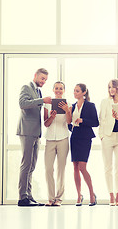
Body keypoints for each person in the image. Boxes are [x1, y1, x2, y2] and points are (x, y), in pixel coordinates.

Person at [17, 68, 52, 207]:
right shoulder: (26, 87)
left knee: (32, 166)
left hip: (36, 132)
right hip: (26, 131)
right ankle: (22, 198)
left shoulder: (38, 91)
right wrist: (42, 100)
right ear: (35, 76)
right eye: (42, 78)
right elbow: (22, 104)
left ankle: (29, 196)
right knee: (26, 165)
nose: (43, 81)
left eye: (45, 80)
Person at [69, 83, 99, 206]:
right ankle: (79, 195)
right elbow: (68, 122)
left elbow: (96, 122)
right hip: (75, 137)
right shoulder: (71, 106)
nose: (75, 93)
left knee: (82, 167)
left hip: (85, 138)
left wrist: (83, 121)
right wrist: (72, 126)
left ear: (83, 92)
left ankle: (92, 194)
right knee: (75, 167)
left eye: (77, 91)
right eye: (74, 91)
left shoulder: (90, 105)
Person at [99, 79, 118, 206]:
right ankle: (110, 195)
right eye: (109, 87)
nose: (111, 89)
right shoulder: (105, 102)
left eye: (114, 87)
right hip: (108, 137)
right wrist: (101, 136)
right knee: (108, 167)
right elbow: (101, 119)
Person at [44, 81, 72, 206]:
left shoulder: (69, 104)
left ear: (64, 90)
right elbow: (46, 123)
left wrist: (67, 111)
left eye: (61, 88)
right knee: (48, 169)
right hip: (50, 139)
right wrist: (52, 117)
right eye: (56, 88)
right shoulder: (47, 104)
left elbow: (69, 122)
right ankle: (50, 198)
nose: (58, 90)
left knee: (61, 169)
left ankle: (59, 198)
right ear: (53, 89)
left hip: (63, 138)